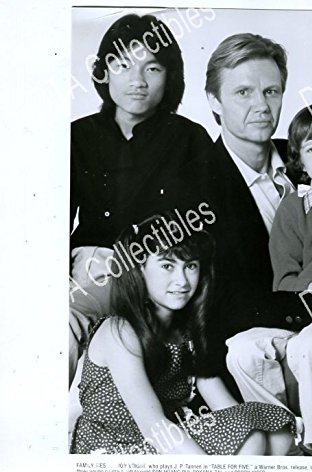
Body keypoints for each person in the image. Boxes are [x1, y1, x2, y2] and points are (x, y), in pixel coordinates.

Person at [183, 33, 312, 455]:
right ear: (213, 101)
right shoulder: (193, 187)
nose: (262, 105)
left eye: (271, 91)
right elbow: (214, 302)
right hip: (266, 349)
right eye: (243, 92)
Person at [70, 214, 299, 455]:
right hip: (115, 450)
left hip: (166, 441)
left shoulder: (186, 333)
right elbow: (153, 426)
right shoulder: (119, 331)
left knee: (275, 429)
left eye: (190, 266)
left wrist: (250, 433)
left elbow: (226, 408)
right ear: (140, 270)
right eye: (167, 266)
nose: (182, 281)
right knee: (251, 438)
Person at [69, 14, 212, 385]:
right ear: (104, 72)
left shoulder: (190, 139)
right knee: (61, 325)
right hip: (92, 270)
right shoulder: (76, 136)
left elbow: (204, 227)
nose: (137, 80)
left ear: (170, 76)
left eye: (152, 68)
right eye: (122, 66)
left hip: (158, 274)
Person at [228, 103, 312, 455]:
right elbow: (284, 281)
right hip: (309, 308)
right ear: (300, 162)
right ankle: (287, 438)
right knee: (241, 350)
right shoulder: (293, 208)